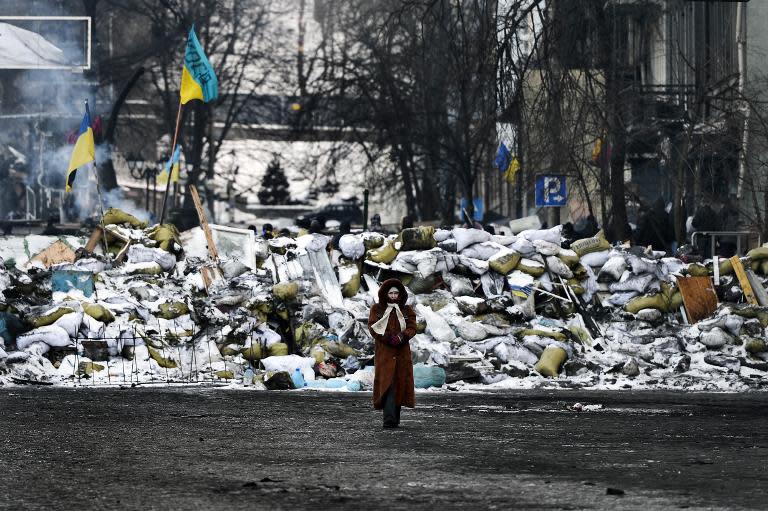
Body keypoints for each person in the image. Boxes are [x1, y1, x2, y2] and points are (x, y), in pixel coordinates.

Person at [367, 279, 416, 429]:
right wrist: (387, 338)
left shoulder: (406, 310)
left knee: (399, 384)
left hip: (402, 354)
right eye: (391, 293)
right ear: (385, 293)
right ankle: (389, 420)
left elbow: (412, 327)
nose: (394, 296)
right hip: (385, 354)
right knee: (387, 385)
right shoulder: (377, 309)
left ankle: (394, 419)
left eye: (396, 293)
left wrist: (402, 336)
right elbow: (373, 327)